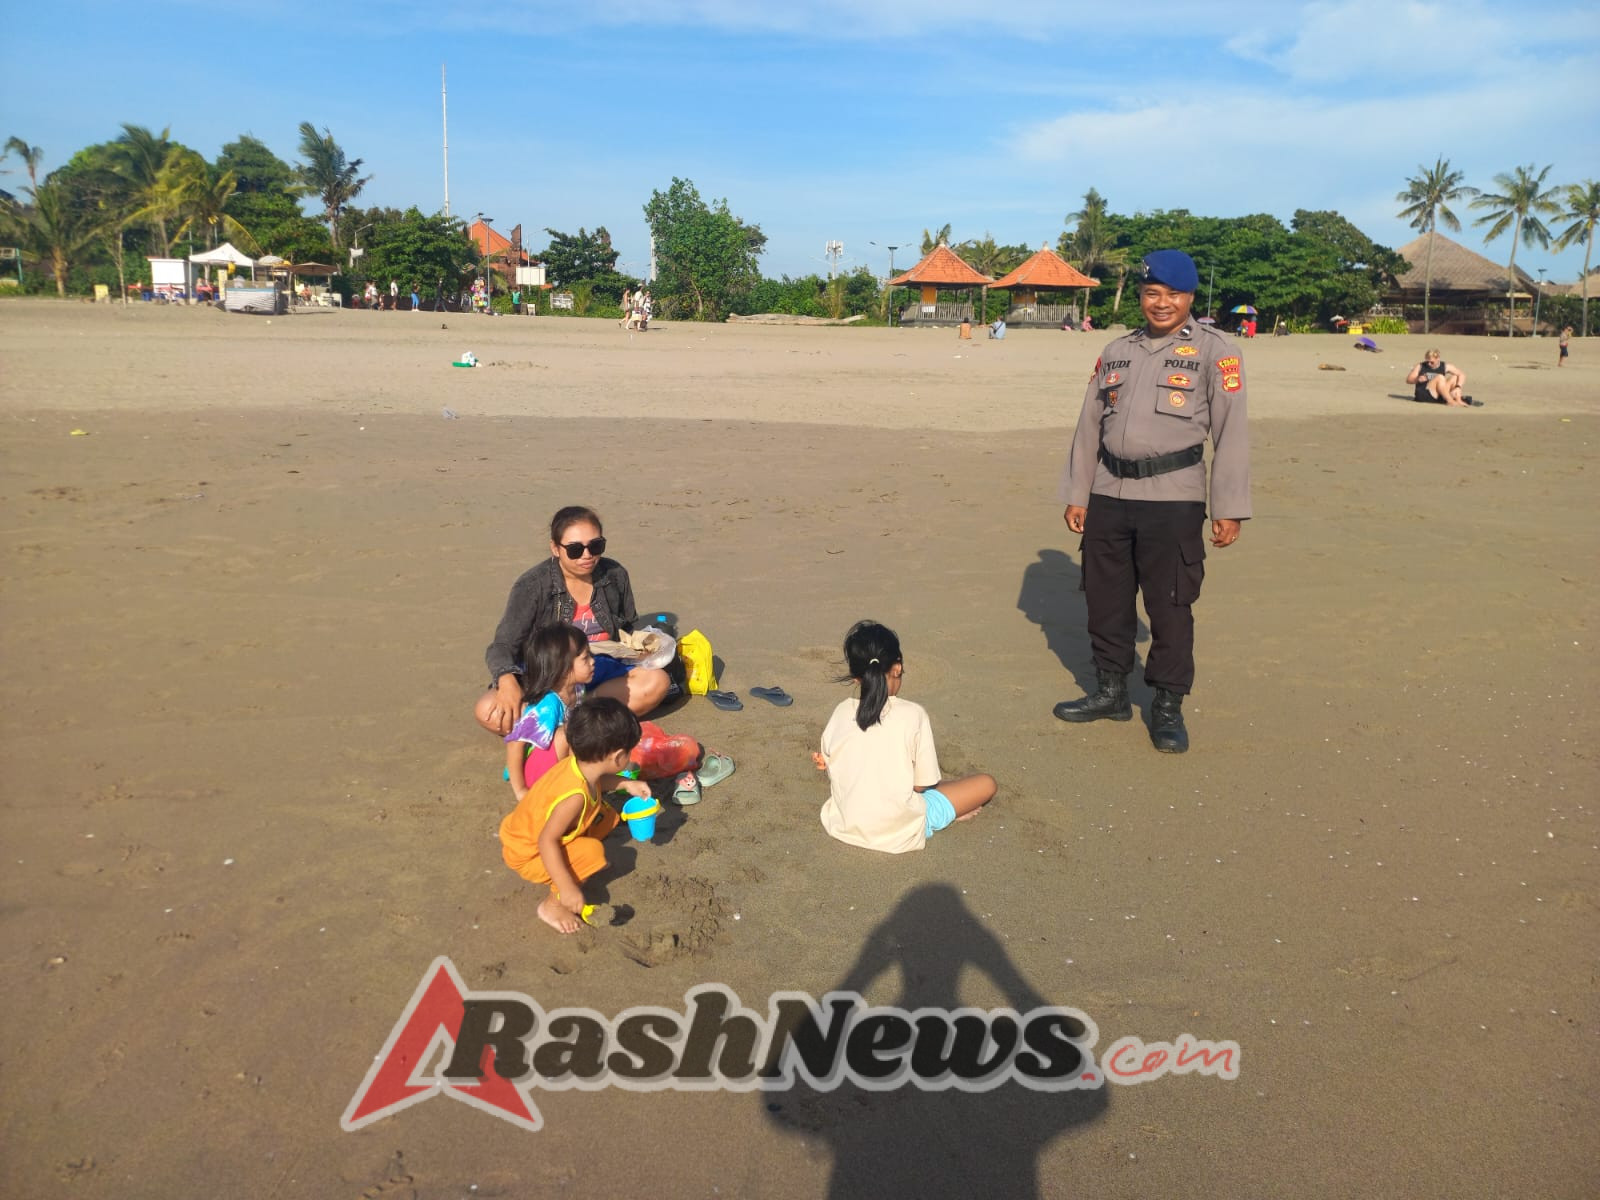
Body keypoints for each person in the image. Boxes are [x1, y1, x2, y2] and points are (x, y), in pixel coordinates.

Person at [1054, 249, 1251, 754]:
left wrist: (1227, 505)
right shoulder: (1117, 350)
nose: (1161, 303)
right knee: (1106, 599)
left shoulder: (1217, 351)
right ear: (1140, 296)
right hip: (1108, 494)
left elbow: (1232, 433)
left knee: (1169, 606)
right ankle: (1112, 691)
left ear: (1189, 297)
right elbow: (1088, 426)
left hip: (1173, 497)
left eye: (1173, 294)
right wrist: (1078, 492)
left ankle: (1166, 704)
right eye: (1151, 293)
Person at [477, 506, 671, 735]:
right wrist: (507, 681)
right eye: (575, 549)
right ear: (555, 548)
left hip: (600, 669)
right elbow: (502, 645)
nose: (587, 555)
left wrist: (645, 647)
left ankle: (563, 725)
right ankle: (584, 723)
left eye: (596, 546)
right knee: (488, 711)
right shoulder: (532, 585)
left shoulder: (615, 575)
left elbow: (626, 628)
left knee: (658, 682)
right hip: (548, 674)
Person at [814, 621, 996, 853]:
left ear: (856, 677)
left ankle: (952, 803)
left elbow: (832, 766)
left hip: (845, 823)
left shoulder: (840, 711)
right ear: (897, 668)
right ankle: (951, 811)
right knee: (986, 783)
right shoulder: (913, 715)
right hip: (900, 829)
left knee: (938, 788)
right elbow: (922, 786)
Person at [499, 698, 650, 934]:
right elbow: (546, 841)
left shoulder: (576, 764)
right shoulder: (574, 797)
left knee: (606, 817)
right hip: (528, 853)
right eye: (629, 752)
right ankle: (551, 907)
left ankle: (574, 865)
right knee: (592, 853)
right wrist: (566, 888)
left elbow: (600, 781)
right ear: (619, 756)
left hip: (520, 832)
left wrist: (626, 784)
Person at [504, 623, 596, 801]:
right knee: (568, 733)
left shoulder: (578, 689)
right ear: (562, 668)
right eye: (585, 658)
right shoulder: (548, 705)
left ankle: (575, 781)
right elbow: (514, 744)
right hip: (536, 775)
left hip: (554, 762)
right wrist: (521, 790)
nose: (593, 661)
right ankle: (567, 785)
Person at [1405, 349, 1477, 406]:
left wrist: (1458, 387)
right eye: (1427, 362)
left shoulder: (1445, 366)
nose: (1429, 364)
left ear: (1438, 359)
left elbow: (1462, 374)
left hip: (1438, 395)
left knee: (1455, 377)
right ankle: (1450, 401)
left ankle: (1458, 400)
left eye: (1432, 362)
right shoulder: (1420, 366)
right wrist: (1417, 379)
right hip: (1423, 394)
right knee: (1440, 377)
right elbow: (1408, 380)